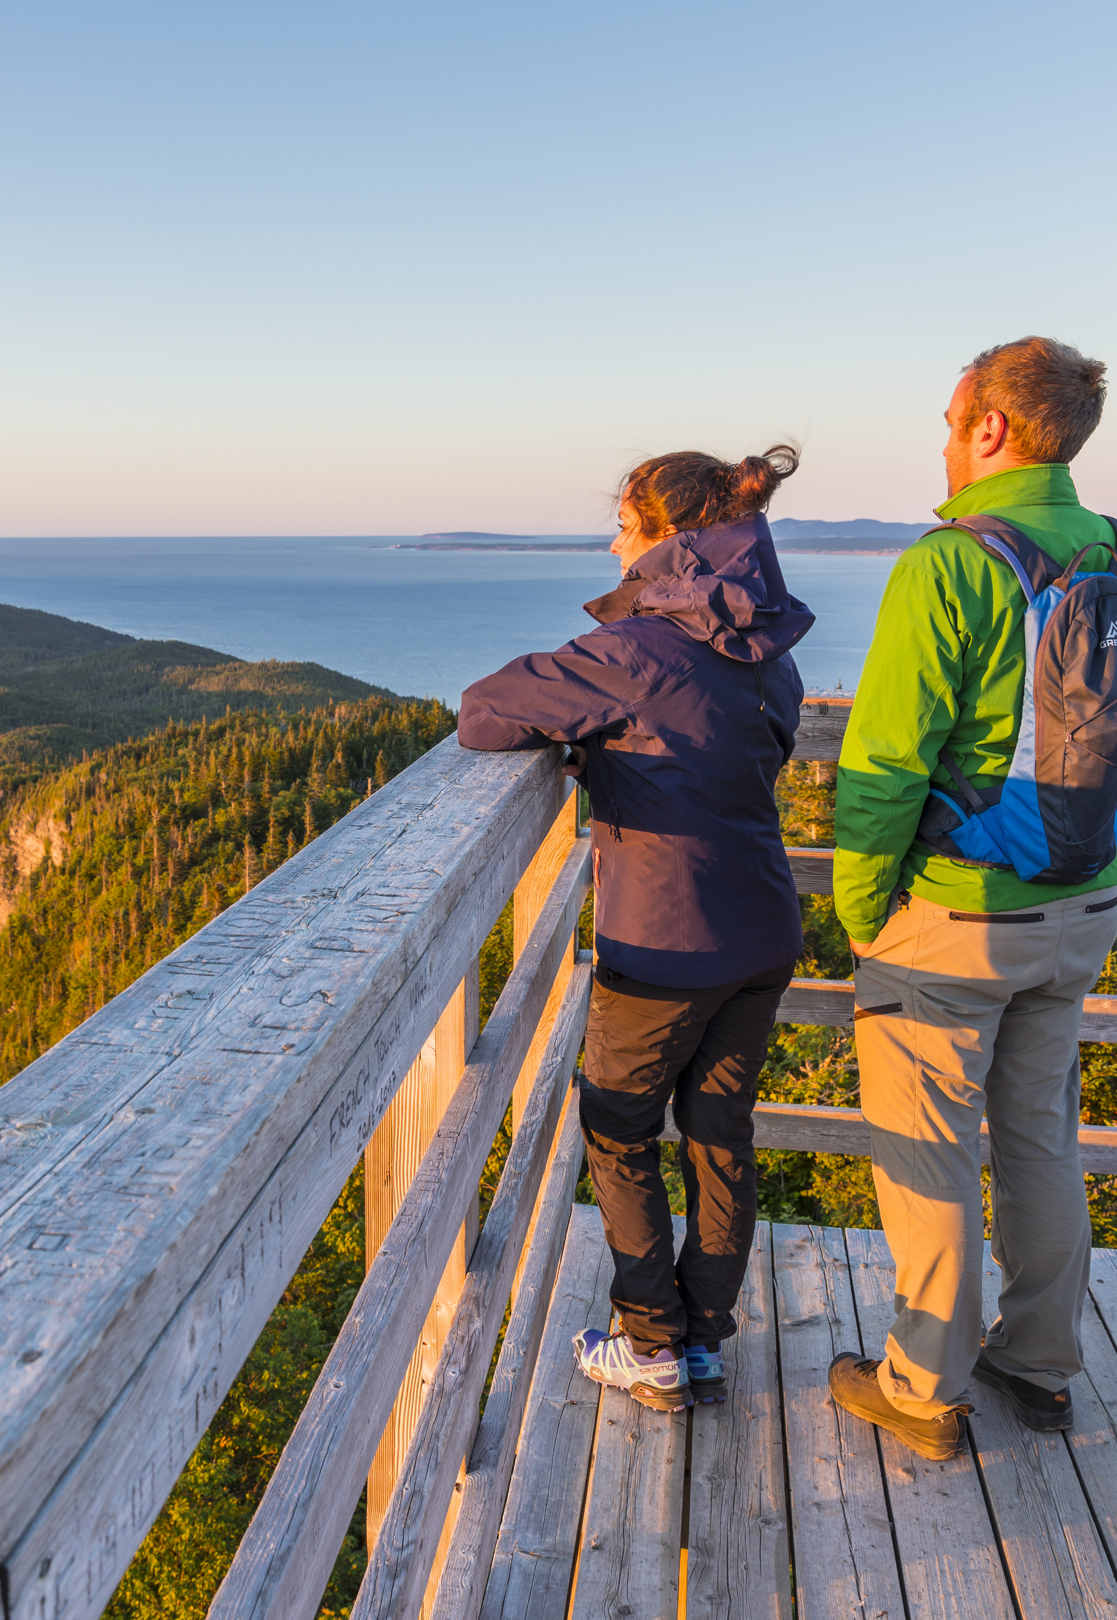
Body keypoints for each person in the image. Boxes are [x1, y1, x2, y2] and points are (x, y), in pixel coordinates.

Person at [824, 338, 1117, 1459]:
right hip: (1080, 909)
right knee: (1038, 1135)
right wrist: (1101, 851)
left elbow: (885, 759)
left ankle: (924, 1391)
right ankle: (1037, 1363)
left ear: (990, 428)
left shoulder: (951, 564)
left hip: (953, 916)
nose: (941, 440)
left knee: (930, 1150)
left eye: (948, 418)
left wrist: (861, 907)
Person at [458, 446, 813, 1413]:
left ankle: (649, 1341)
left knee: (618, 1129)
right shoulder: (764, 644)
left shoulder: (638, 651)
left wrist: (588, 738)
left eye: (623, 523)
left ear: (665, 537)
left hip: (663, 944)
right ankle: (702, 1338)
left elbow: (485, 713)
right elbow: (738, 744)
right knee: (718, 1135)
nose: (612, 541)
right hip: (762, 929)